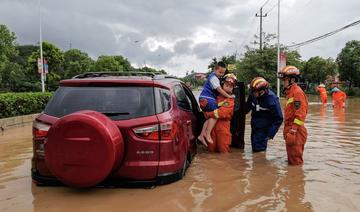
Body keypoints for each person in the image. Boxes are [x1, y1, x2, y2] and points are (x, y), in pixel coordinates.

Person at [278, 65, 308, 165]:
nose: (283, 82)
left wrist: (293, 130)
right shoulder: (290, 93)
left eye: (284, 80)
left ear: (292, 80)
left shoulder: (297, 93)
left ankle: (296, 179)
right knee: (292, 160)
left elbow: (300, 115)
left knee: (295, 163)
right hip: (291, 130)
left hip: (296, 131)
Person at [198, 61, 234, 146]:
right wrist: (229, 96)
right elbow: (219, 90)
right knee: (214, 115)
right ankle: (207, 133)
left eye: (223, 72)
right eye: (220, 72)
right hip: (208, 99)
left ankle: (201, 135)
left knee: (209, 118)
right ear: (215, 69)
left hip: (204, 99)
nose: (221, 74)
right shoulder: (214, 78)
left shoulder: (212, 76)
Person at [246, 77, 283, 152]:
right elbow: (247, 108)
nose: (252, 93)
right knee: (254, 147)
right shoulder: (253, 95)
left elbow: (279, 118)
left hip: (264, 129)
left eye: (254, 92)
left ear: (261, 91)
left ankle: (261, 162)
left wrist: (271, 134)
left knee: (259, 150)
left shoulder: (271, 99)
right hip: (254, 126)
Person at [204, 74, 236, 153]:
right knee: (211, 150)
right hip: (212, 127)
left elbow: (221, 113)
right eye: (226, 84)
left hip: (223, 127)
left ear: (233, 89)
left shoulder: (230, 100)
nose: (228, 86)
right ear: (222, 85)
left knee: (223, 151)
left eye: (231, 86)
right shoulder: (215, 97)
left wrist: (208, 114)